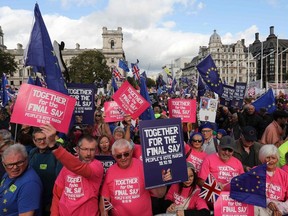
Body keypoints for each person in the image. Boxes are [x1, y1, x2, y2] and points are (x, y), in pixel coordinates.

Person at [44, 124, 104, 216]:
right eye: (85, 149)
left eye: (92, 150)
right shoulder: (67, 167)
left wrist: (54, 146)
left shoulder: (97, 166)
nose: (88, 153)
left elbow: (79, 168)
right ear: (77, 149)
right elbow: (57, 194)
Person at [100, 139, 171, 216]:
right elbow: (105, 197)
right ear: (114, 156)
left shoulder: (143, 167)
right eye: (119, 156)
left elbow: (160, 194)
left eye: (126, 154)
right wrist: (104, 212)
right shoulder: (110, 171)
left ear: (131, 152)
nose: (123, 158)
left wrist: (161, 181)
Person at [0, 144, 43, 215]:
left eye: (19, 163)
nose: (15, 167)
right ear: (3, 164)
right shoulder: (8, 173)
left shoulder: (30, 184)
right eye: (10, 164)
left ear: (27, 159)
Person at [29, 127, 63, 216]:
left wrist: (53, 201)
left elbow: (60, 180)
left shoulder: (55, 153)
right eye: (39, 140)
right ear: (34, 141)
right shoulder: (32, 153)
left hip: (50, 199)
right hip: (34, 198)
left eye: (44, 139)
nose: (42, 142)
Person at [254, 144, 288, 216]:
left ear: (277, 159)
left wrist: (281, 210)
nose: (270, 161)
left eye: (273, 158)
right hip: (260, 207)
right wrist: (267, 202)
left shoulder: (284, 175)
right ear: (262, 158)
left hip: (279, 208)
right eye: (267, 158)